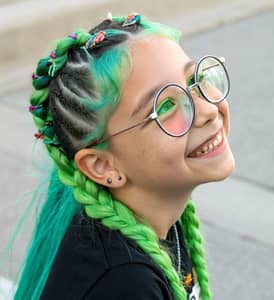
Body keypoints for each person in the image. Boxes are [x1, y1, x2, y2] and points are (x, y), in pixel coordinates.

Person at [11, 12, 235, 300]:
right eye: (165, 106)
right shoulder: (123, 284)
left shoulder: (154, 219)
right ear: (103, 165)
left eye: (196, 79)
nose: (206, 110)